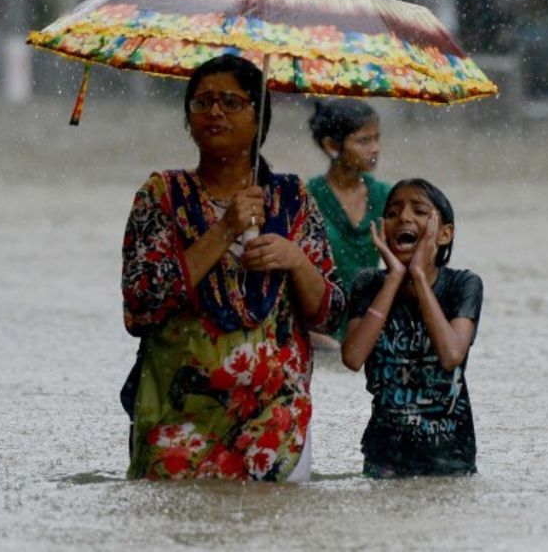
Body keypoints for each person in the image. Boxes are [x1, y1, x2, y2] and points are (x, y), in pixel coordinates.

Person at [120, 55, 344, 480]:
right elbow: (141, 303)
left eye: (230, 102)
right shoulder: (162, 196)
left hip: (276, 417)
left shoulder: (292, 198)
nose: (214, 112)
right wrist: (224, 229)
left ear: (259, 117)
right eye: (201, 103)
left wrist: (295, 260)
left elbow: (331, 313)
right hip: (178, 413)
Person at [340, 179, 483, 477]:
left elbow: (451, 354)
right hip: (384, 458)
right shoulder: (368, 284)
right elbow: (353, 357)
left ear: (444, 234)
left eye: (419, 210)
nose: (403, 217)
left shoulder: (463, 285)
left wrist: (418, 274)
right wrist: (393, 278)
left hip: (449, 459)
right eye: (392, 213)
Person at [305, 100, 390, 341]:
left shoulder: (386, 197)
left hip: (366, 322)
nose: (375, 148)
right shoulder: (307, 198)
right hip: (319, 329)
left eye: (377, 138)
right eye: (364, 141)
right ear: (332, 146)